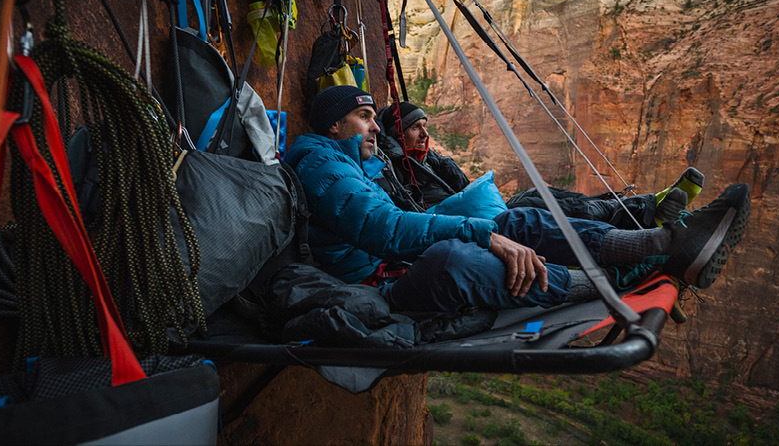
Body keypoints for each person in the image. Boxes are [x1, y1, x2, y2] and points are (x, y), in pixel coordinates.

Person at [284, 86, 751, 313]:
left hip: (394, 263)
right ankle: (632, 273)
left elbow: (401, 219)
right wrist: (482, 233)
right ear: (333, 126)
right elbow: (385, 231)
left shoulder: (357, 164)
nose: (373, 127)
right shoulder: (321, 166)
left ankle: (665, 241)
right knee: (454, 261)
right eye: (363, 117)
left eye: (373, 117)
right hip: (375, 284)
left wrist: (491, 230)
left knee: (522, 220)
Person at [374, 101, 695, 229]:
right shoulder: (392, 168)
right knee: (533, 205)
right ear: (397, 131)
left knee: (542, 194)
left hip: (476, 212)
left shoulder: (430, 162)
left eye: (425, 126)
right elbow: (406, 213)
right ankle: (643, 213)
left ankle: (645, 204)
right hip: (459, 225)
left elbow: (465, 189)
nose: (425, 134)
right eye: (417, 127)